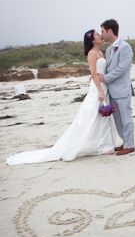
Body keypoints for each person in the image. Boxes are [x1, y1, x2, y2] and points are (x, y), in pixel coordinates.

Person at [6, 30, 118, 165]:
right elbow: (94, 75)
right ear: (93, 40)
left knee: (102, 117)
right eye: (97, 35)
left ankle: (104, 145)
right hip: (98, 88)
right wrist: (100, 91)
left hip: (103, 86)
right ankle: (102, 146)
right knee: (93, 115)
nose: (100, 36)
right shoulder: (92, 54)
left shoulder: (101, 52)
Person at [100, 19, 135, 156]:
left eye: (103, 31)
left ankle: (130, 146)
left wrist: (105, 78)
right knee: (118, 120)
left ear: (109, 30)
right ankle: (125, 142)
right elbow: (108, 68)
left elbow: (121, 69)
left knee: (126, 118)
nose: (101, 34)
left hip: (122, 90)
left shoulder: (125, 47)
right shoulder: (108, 50)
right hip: (111, 91)